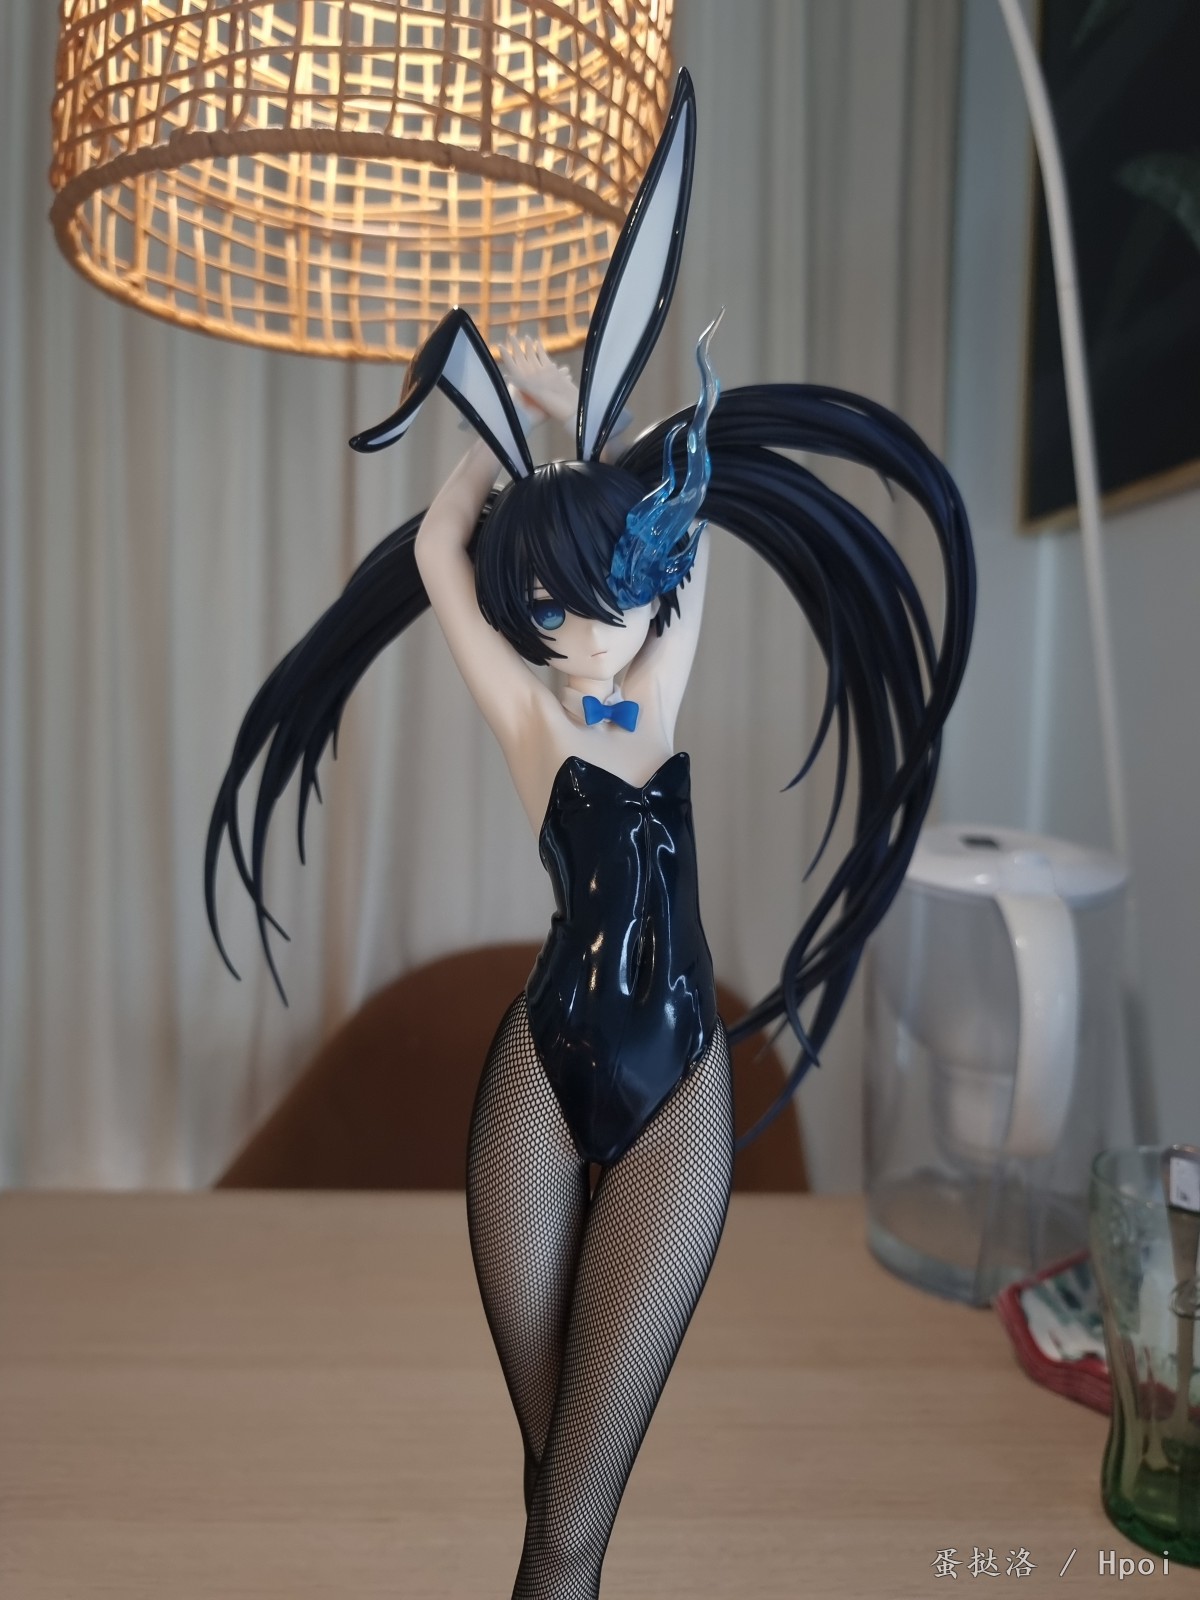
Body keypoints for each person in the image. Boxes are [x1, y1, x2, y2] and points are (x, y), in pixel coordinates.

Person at [205, 70, 974, 1600]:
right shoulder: (527, 713)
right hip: (541, 1076)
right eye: (548, 603)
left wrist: (573, 412)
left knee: (576, 1506)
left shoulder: (659, 682)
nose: (579, 622)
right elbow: (443, 551)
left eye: (602, 590)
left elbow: (686, 508)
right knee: (550, 1483)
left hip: (680, 1079)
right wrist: (498, 437)